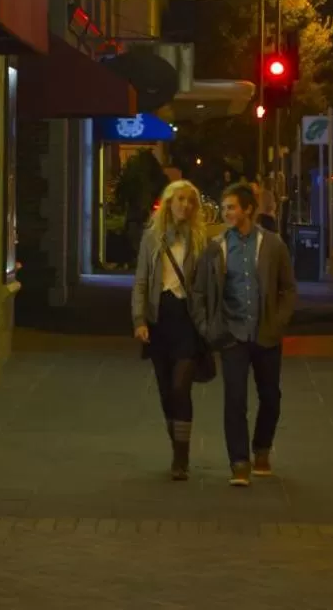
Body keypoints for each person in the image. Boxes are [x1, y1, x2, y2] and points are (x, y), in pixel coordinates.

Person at [191, 181, 297, 486]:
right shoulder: (217, 247)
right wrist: (207, 327)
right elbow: (199, 291)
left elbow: (288, 288)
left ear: (248, 209)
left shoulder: (273, 245)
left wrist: (279, 322)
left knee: (270, 397)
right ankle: (239, 462)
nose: (226, 213)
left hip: (265, 333)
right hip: (232, 334)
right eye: (224, 208)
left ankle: (261, 448)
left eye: (231, 207)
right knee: (235, 399)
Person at [132, 179, 209, 480]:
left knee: (180, 386)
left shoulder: (201, 239)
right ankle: (175, 442)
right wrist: (139, 320)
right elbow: (140, 281)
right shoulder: (152, 238)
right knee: (166, 390)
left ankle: (182, 456)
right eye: (180, 200)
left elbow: (209, 282)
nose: (185, 206)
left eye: (190, 201)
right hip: (159, 318)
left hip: (188, 320)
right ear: (168, 202)